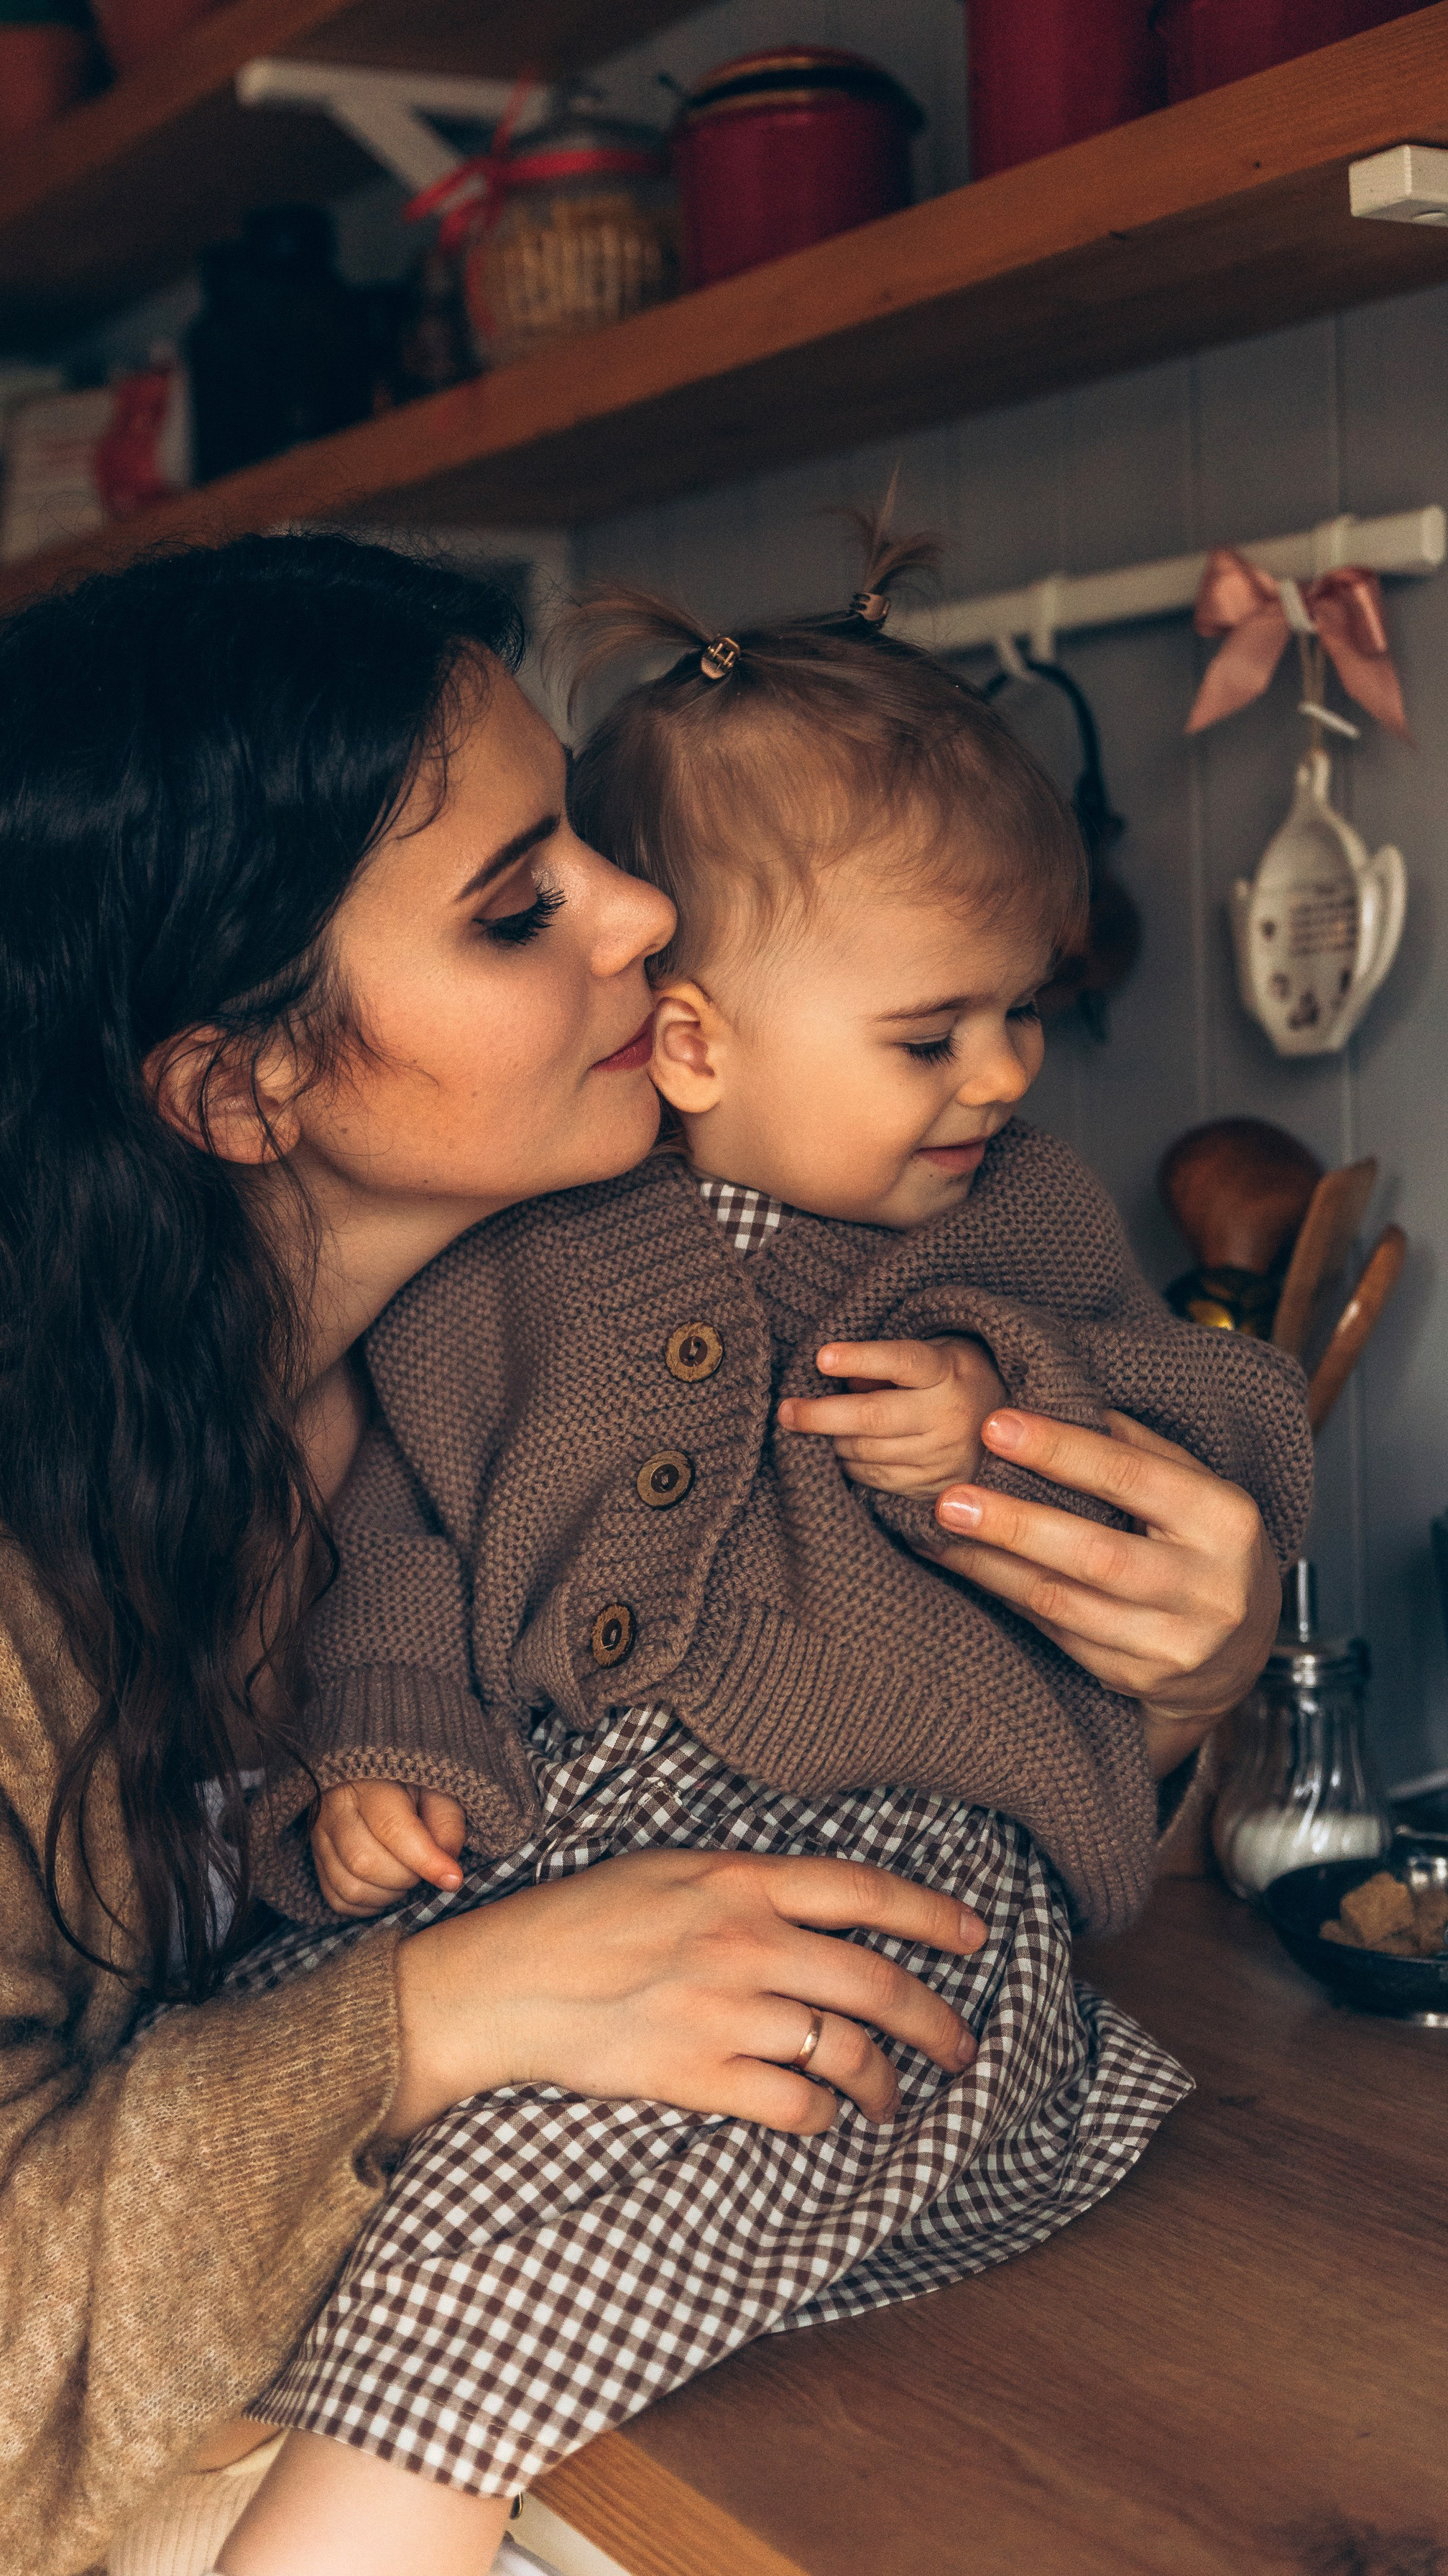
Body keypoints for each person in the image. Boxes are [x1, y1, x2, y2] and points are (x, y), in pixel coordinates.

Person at [0, 533, 1281, 2576]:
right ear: (241, 1087)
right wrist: (427, 2013)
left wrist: (1180, 1671)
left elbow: (881, 1737)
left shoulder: (550, 1282)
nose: (652, 914)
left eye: (583, 835)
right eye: (521, 910)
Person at [211, 535, 1313, 2576]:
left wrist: (1009, 1400)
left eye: (1021, 1018)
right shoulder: (499, 1280)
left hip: (902, 1873)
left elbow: (1238, 1429)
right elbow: (407, 1548)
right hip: (558, 1858)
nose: (1002, 1076)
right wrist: (385, 1751)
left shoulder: (1012, 1234)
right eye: (932, 1033)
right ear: (696, 1040)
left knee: (645, 2144)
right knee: (358, 2125)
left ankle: (375, 2509)